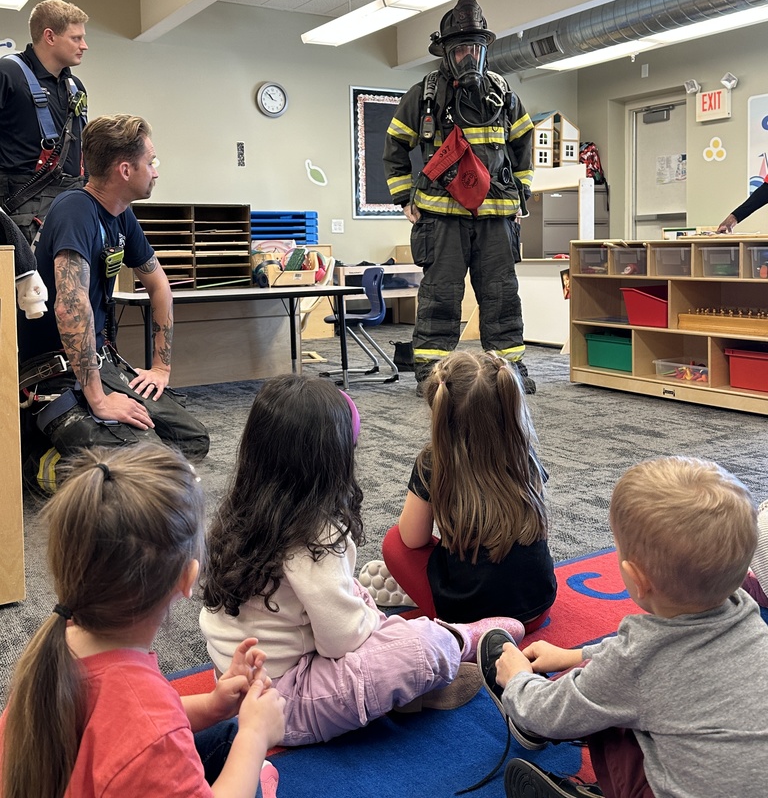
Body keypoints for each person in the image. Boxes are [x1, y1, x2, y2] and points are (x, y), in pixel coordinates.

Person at [199, 374, 526, 746]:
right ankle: (460, 638)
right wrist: (373, 626)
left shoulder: (240, 510)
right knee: (421, 647)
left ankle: (403, 686)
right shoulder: (313, 534)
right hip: (284, 704)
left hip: (233, 679)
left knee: (355, 596)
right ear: (333, 460)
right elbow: (340, 642)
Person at [0, 442, 286, 798]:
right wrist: (256, 737)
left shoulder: (53, 651)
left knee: (228, 736)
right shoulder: (150, 728)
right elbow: (145, 727)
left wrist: (213, 705)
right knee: (242, 749)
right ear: (188, 577)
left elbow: (126, 722)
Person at [477, 455, 768, 798]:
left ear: (633, 577)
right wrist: (575, 655)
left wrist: (516, 679)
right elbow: (647, 653)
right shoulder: (746, 614)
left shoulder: (635, 664)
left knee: (604, 709)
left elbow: (548, 713)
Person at [18, 114, 209, 488]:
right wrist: (101, 400)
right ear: (125, 169)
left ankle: (97, 451)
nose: (155, 171)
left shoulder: (121, 215)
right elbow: (70, 309)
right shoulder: (75, 209)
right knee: (143, 470)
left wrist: (160, 368)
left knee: (191, 440)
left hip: (100, 362)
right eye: (150, 162)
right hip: (53, 373)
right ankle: (41, 461)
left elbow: (159, 286)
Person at [382, 0, 536, 393]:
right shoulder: (424, 95)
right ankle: (432, 376)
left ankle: (509, 373)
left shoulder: (505, 96)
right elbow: (396, 146)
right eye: (461, 50)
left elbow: (523, 145)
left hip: (497, 217)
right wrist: (404, 199)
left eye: (476, 49)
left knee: (502, 295)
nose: (469, 57)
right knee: (441, 296)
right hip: (442, 216)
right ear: (447, 54)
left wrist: (522, 195)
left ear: (485, 51)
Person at [365, 351, 556, 628]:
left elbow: (412, 539)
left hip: (467, 619)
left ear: (441, 415)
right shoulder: (522, 453)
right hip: (536, 613)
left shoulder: (433, 462)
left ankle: (428, 595)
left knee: (394, 542)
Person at [0, 0, 89, 243]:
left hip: (73, 198)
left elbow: (82, 149)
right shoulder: (7, 73)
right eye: (76, 38)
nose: (85, 46)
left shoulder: (74, 87)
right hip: (21, 205)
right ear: (50, 36)